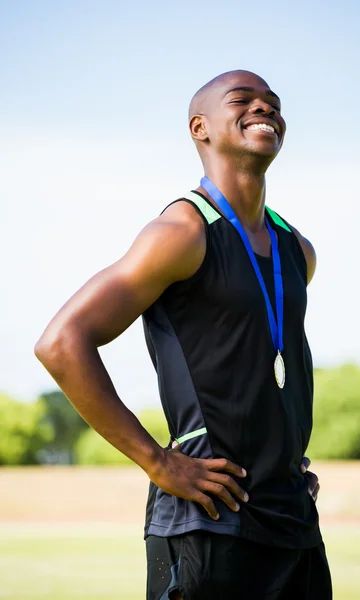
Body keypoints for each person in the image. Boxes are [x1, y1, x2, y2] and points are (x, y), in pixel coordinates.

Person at [35, 69, 332, 599]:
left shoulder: (298, 251)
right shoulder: (181, 233)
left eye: (274, 103)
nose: (264, 108)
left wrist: (283, 457)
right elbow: (61, 343)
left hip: (294, 521)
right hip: (208, 524)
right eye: (243, 100)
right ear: (201, 127)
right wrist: (158, 461)